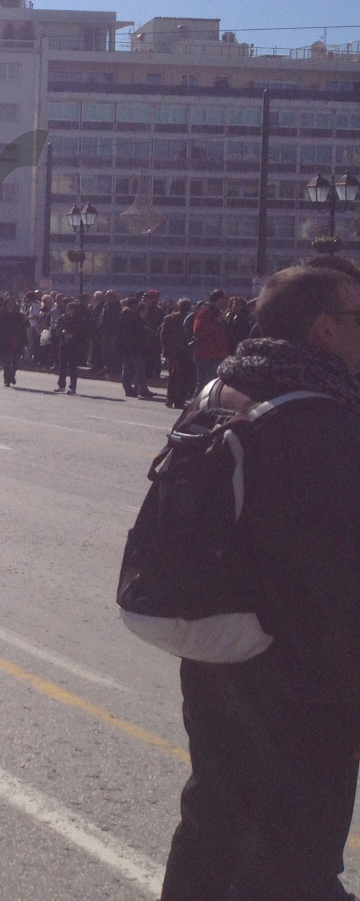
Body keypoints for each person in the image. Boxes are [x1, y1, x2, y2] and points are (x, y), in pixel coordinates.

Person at [158, 265, 360, 897]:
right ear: (326, 330)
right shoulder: (319, 417)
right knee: (299, 852)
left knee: (213, 822)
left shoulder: (224, 388)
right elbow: (334, 574)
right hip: (304, 678)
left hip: (219, 651)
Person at [191, 288, 231, 387]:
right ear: (218, 299)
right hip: (207, 355)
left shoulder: (217, 312)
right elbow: (198, 330)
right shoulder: (206, 311)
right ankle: (196, 402)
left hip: (215, 354)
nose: (226, 301)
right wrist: (217, 325)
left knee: (210, 385)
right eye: (224, 299)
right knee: (204, 385)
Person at [0, 296, 27, 388]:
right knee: (7, 362)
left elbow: (23, 329)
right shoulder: (1, 315)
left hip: (17, 340)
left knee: (17, 362)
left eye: (12, 304)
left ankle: (12, 374)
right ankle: (7, 379)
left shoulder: (19, 316)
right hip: (5, 340)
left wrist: (25, 340)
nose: (11, 306)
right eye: (9, 304)